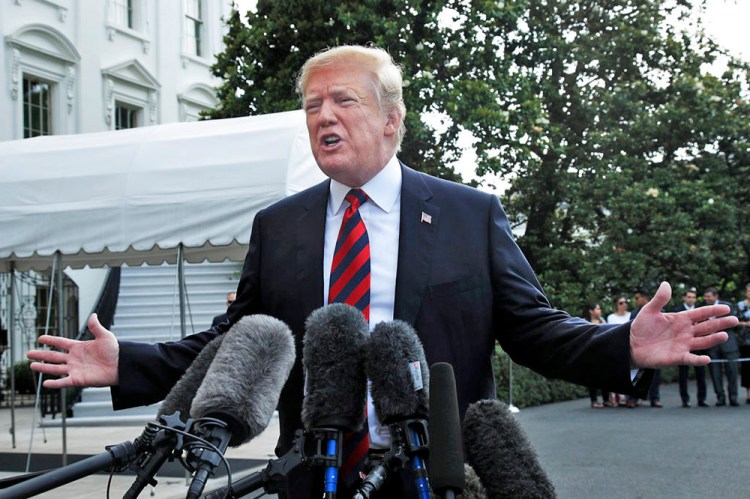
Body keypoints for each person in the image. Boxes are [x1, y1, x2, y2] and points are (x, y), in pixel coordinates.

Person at [27, 45, 736, 499]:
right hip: (313, 474)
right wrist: (130, 363)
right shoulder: (281, 226)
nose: (322, 116)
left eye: (343, 101)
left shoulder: (468, 214)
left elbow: (532, 330)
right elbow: (236, 342)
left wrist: (623, 346)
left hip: (437, 475)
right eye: (311, 107)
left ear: (392, 119)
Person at [703, 287, 740, 406]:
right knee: (715, 373)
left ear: (716, 296)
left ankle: (733, 397)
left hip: (728, 344)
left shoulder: (726, 306)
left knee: (732, 372)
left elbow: (733, 322)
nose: (707, 299)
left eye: (709, 296)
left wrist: (714, 325)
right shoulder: (703, 309)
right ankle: (720, 397)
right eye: (705, 296)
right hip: (712, 344)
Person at [628, 288, 662, 408]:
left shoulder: (659, 311)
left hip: (656, 347)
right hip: (639, 347)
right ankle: (634, 398)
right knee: (637, 374)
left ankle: (655, 398)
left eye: (637, 298)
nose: (636, 301)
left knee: (655, 375)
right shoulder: (634, 313)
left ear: (645, 298)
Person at [674, 288, 707, 407]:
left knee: (701, 374)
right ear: (684, 298)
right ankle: (685, 400)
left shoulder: (701, 311)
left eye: (693, 297)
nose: (691, 299)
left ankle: (702, 399)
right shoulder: (677, 311)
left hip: (698, 345)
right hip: (683, 346)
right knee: (683, 375)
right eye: (689, 297)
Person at [582, 303, 609, 408]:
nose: (600, 310)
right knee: (592, 378)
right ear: (591, 311)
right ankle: (594, 400)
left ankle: (606, 399)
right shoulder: (584, 322)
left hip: (603, 352)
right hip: (590, 352)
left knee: (605, 377)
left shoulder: (603, 321)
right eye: (598, 309)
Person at [735, 283, 750, 403]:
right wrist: (746, 324)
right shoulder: (740, 305)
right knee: (746, 367)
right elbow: (735, 321)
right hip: (745, 340)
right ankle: (748, 394)